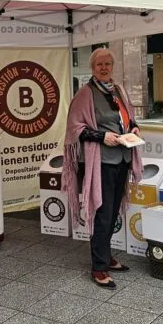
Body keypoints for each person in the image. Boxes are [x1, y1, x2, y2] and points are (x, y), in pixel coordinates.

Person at [63, 48, 143, 289]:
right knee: (103, 212)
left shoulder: (118, 90)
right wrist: (101, 136)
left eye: (108, 63)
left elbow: (128, 117)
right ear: (92, 67)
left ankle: (106, 256)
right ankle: (98, 267)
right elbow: (74, 128)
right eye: (100, 64)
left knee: (112, 211)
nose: (104, 67)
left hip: (122, 159)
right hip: (102, 163)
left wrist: (135, 128)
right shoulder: (85, 94)